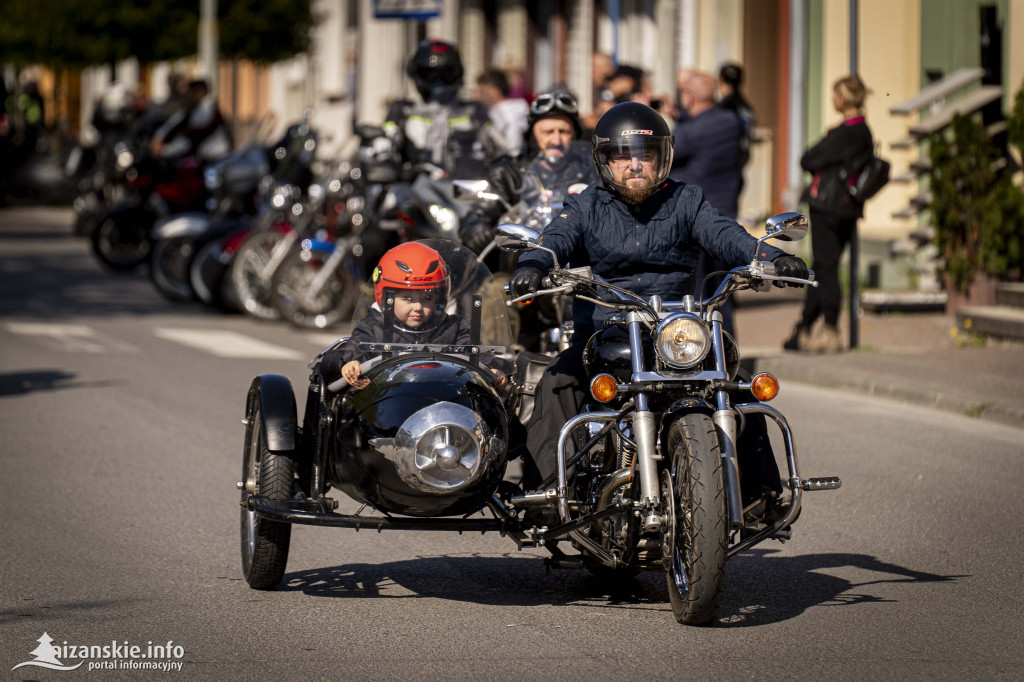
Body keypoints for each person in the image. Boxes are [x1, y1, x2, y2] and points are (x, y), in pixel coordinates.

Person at [507, 101, 809, 508]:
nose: (635, 166)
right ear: (605, 162)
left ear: (662, 158)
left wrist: (768, 258)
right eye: (623, 157)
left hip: (675, 329)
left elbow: (726, 235)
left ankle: (760, 494)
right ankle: (552, 488)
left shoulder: (687, 201)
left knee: (734, 384)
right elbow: (556, 238)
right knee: (557, 381)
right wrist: (534, 262)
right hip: (606, 328)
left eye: (645, 156)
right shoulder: (587, 205)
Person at [320, 241, 506, 391]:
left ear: (440, 296)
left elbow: (474, 352)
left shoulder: (453, 328)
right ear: (386, 297)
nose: (418, 306)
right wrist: (347, 364)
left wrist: (491, 369)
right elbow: (351, 351)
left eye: (427, 298)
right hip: (387, 405)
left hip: (442, 403)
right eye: (408, 299)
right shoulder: (373, 326)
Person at [784, 75, 874, 353]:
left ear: (844, 99)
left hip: (827, 207)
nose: (833, 100)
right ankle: (804, 328)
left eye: (836, 95)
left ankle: (832, 329)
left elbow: (807, 159)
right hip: (847, 208)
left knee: (827, 267)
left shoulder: (845, 133)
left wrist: (828, 140)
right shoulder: (864, 132)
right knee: (824, 266)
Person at [459, 88, 594, 254]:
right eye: (548, 132)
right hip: (517, 262)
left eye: (564, 132)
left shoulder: (590, 170)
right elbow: (480, 214)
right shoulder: (507, 172)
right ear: (532, 135)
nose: (556, 140)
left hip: (577, 263)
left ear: (575, 135)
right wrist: (477, 229)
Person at [671, 70, 745, 338]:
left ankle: (695, 350)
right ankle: (727, 349)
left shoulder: (690, 130)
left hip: (696, 221)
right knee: (721, 291)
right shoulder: (730, 121)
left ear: (689, 96)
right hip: (726, 217)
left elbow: (668, 151)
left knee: (696, 292)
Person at [381, 39, 504, 180]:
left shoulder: (473, 112)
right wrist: (383, 159)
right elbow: (384, 143)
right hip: (412, 191)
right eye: (429, 75)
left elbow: (500, 148)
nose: (437, 83)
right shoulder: (403, 112)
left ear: (457, 74)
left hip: (463, 194)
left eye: (445, 75)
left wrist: (510, 165)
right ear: (417, 75)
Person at [148, 79, 232, 161]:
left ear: (199, 93)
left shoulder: (205, 110)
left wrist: (164, 151)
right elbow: (178, 120)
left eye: (190, 93)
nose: (188, 96)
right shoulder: (199, 108)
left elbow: (191, 138)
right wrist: (159, 136)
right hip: (211, 155)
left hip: (213, 157)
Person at [476, 68, 529, 155]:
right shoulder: (496, 112)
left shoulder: (510, 113)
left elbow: (514, 151)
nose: (477, 96)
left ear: (494, 92)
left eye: (481, 91)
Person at [716, 62, 756, 177]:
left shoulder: (721, 109)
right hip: (738, 165)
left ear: (720, 80)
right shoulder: (747, 108)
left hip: (721, 167)